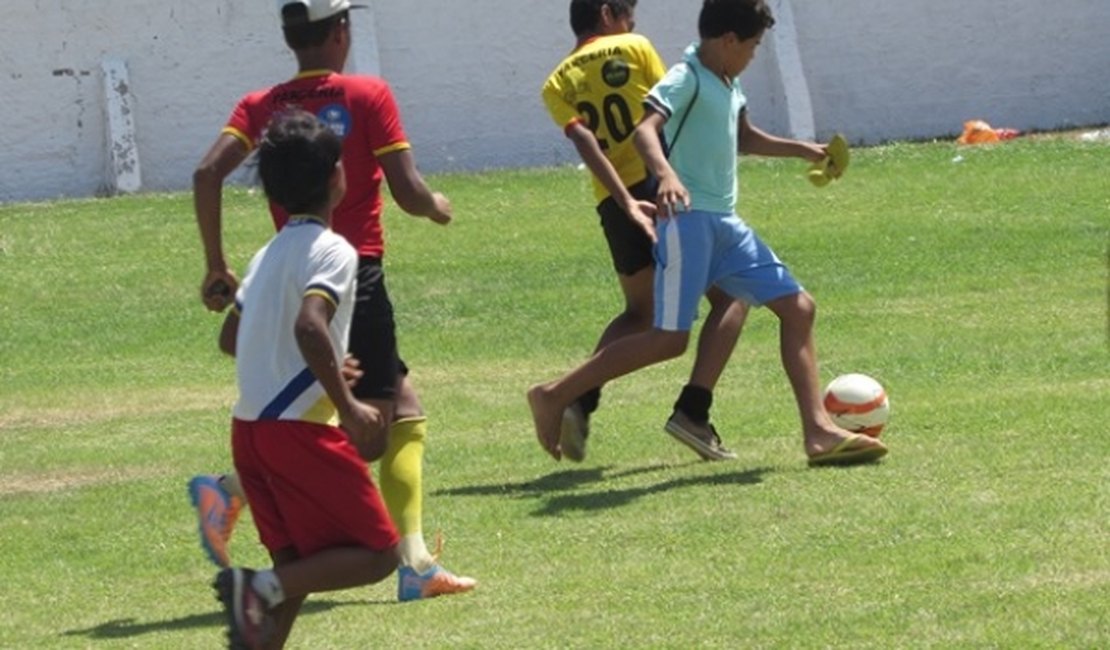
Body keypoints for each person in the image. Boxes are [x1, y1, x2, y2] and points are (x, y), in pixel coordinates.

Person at [190, 0, 474, 602]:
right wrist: (438, 208)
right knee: (385, 417)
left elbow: (207, 173)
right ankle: (406, 562)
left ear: (291, 36)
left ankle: (407, 559)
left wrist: (216, 265)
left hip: (284, 262)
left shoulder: (260, 106)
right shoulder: (368, 94)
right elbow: (407, 189)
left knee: (396, 407)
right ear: (342, 30)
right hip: (350, 274)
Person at [528, 0, 889, 468]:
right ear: (728, 41)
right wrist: (666, 176)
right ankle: (555, 394)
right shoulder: (686, 74)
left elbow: (744, 136)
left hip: (726, 224)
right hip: (688, 221)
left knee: (798, 308)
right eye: (753, 47)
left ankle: (818, 432)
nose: (754, 56)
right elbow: (645, 131)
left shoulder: (728, 81)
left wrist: (805, 150)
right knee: (666, 337)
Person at [212, 109, 399, 649]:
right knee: (379, 553)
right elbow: (309, 324)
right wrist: (350, 402)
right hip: (299, 432)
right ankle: (252, 586)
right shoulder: (334, 250)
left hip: (249, 431)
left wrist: (313, 366)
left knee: (298, 568)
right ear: (335, 177)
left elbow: (232, 339)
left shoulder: (268, 253)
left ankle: (263, 597)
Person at [540, 0, 750, 462]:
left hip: (615, 204)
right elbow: (662, 116)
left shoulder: (556, 81)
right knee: (733, 294)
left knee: (638, 313)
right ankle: (693, 409)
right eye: (629, 12)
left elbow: (585, 141)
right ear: (607, 13)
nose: (633, 22)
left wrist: (623, 202)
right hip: (663, 189)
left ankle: (581, 398)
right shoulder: (635, 47)